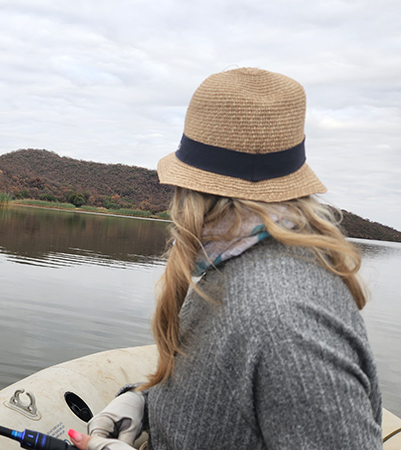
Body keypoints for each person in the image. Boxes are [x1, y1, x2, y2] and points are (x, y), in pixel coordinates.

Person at [68, 68, 382, 449]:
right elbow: (222, 407)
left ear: (191, 185)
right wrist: (141, 400)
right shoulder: (234, 261)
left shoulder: (288, 320)